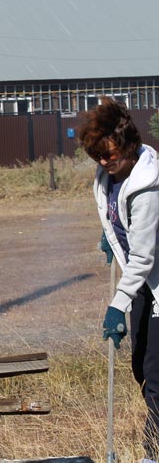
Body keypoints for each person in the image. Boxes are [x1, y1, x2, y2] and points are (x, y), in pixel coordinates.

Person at [79, 97, 159, 462]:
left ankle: (152, 453)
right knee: (140, 366)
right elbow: (118, 217)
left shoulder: (148, 185)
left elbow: (144, 257)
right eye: (97, 156)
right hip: (143, 283)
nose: (103, 162)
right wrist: (113, 237)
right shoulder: (109, 173)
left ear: (128, 145)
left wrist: (116, 305)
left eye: (109, 155)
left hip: (155, 281)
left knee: (157, 376)